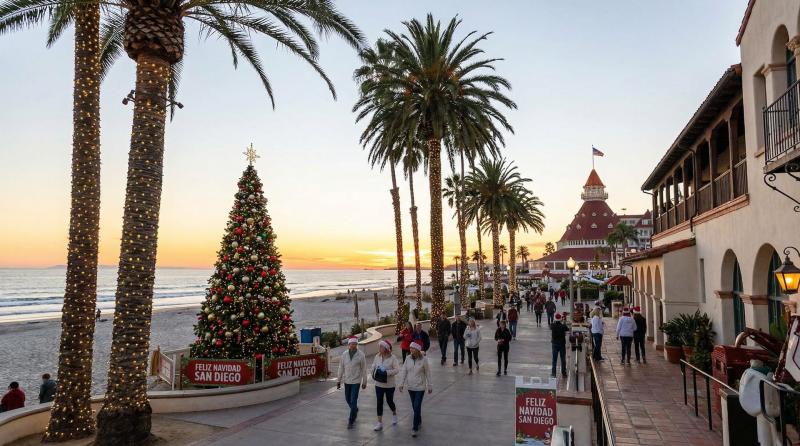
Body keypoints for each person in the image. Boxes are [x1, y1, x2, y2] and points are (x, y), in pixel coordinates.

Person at [398, 342, 432, 438]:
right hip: (410, 387)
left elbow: (428, 373)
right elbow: (404, 371)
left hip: (420, 387)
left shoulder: (424, 359)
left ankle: (414, 428)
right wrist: (401, 384)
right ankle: (419, 419)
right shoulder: (408, 358)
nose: (411, 350)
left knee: (417, 406)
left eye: (413, 348)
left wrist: (430, 385)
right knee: (415, 406)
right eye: (410, 348)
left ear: (417, 349)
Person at [337, 337, 367, 429]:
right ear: (348, 345)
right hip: (347, 381)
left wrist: (364, 381)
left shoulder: (361, 355)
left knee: (353, 400)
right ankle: (355, 410)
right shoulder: (344, 354)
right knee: (347, 399)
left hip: (356, 381)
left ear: (357, 344)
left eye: (355, 344)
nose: (353, 345)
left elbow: (364, 369)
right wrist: (339, 380)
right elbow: (341, 367)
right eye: (351, 344)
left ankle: (351, 420)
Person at [371, 340, 400, 431]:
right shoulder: (377, 356)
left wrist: (386, 372)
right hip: (378, 384)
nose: (379, 348)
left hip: (389, 385)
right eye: (379, 347)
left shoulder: (393, 358)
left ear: (386, 348)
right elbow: (373, 366)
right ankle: (379, 423)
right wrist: (374, 372)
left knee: (389, 401)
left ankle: (394, 413)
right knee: (379, 402)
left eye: (381, 347)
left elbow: (397, 370)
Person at [550, 313, 569, 378]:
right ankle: (564, 373)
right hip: (562, 344)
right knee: (563, 359)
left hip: (554, 344)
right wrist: (563, 321)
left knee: (554, 360)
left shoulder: (552, 325)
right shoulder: (563, 326)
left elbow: (551, 326)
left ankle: (553, 373)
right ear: (560, 319)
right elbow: (567, 329)